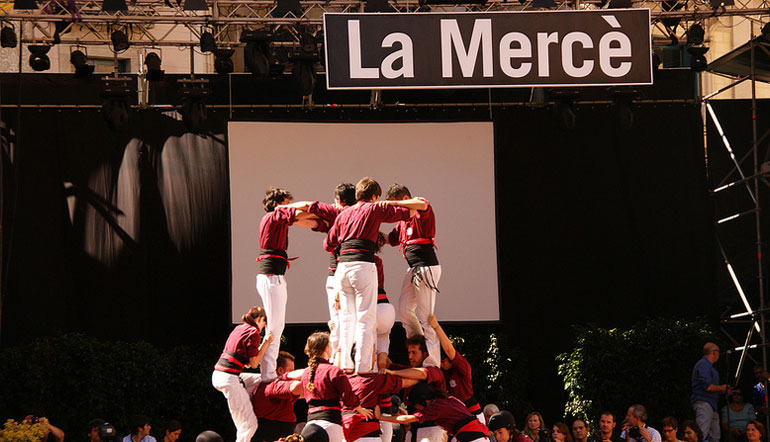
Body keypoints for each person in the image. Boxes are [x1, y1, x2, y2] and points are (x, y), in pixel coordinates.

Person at [323, 177, 413, 373]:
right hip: (362, 264)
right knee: (365, 317)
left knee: (347, 317)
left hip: (342, 268)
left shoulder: (344, 214)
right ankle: (363, 367)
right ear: (374, 196)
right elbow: (406, 213)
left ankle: (346, 364)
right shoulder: (373, 208)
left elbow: (328, 244)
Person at [282, 183, 356, 360]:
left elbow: (308, 207)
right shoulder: (361, 214)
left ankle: (340, 360)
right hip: (358, 272)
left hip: (338, 273)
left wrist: (282, 210)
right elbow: (314, 222)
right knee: (354, 320)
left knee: (340, 320)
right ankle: (350, 358)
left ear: (338, 201)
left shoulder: (339, 212)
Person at [256, 187, 316, 381]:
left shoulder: (277, 217)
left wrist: (323, 220)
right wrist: (320, 209)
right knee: (274, 328)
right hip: (271, 277)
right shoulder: (275, 214)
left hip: (275, 277)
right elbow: (300, 211)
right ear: (278, 203)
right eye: (286, 202)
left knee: (276, 327)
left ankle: (268, 372)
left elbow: (302, 220)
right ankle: (268, 375)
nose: (288, 205)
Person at [383, 184, 441, 368]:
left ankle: (432, 362)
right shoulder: (402, 223)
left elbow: (422, 203)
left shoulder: (419, 209)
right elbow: (388, 239)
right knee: (404, 309)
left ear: (405, 198)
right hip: (414, 269)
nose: (396, 210)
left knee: (426, 317)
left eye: (396, 205)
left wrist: (393, 204)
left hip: (426, 268)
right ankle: (418, 344)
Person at [212, 306, 274, 442]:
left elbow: (245, 361)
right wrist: (266, 342)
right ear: (259, 319)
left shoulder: (240, 328)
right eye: (264, 323)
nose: (263, 327)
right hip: (229, 378)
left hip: (221, 375)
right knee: (249, 424)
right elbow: (253, 364)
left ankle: (248, 399)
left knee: (262, 379)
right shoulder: (253, 332)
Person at [300, 331, 372, 442]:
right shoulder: (333, 371)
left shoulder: (306, 373)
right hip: (330, 424)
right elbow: (348, 396)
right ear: (326, 348)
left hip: (310, 425)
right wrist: (360, 409)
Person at [382, 335, 447, 442]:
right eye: (409, 353)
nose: (410, 356)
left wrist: (393, 373)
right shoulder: (409, 370)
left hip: (431, 429)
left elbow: (421, 374)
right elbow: (389, 365)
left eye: (414, 352)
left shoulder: (434, 370)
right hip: (414, 428)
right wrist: (379, 348)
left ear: (425, 354)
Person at [375, 383, 489, 442]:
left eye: (417, 407)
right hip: (479, 435)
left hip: (471, 438)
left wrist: (380, 417)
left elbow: (407, 420)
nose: (418, 410)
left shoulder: (434, 408)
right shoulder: (449, 400)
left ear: (423, 401)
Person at [428, 314, 483, 423]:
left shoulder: (462, 365)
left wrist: (436, 326)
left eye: (443, 361)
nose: (440, 364)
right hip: (455, 415)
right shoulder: (440, 372)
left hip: (472, 413)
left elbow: (450, 351)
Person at [252, 351, 303, 442]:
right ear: (280, 371)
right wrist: (320, 371)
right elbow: (298, 387)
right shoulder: (271, 386)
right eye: (291, 371)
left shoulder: (272, 387)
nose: (294, 375)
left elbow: (305, 392)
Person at [692, 343, 729, 442]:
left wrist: (722, 390)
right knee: (701, 433)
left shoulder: (708, 366)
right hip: (704, 402)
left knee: (715, 435)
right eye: (718, 352)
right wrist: (722, 387)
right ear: (714, 352)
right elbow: (707, 386)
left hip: (711, 404)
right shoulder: (703, 364)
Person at [374, 232, 396, 371]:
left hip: (373, 307)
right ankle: (382, 369)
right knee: (383, 339)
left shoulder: (360, 261)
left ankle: (373, 373)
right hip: (387, 308)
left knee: (367, 345)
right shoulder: (378, 261)